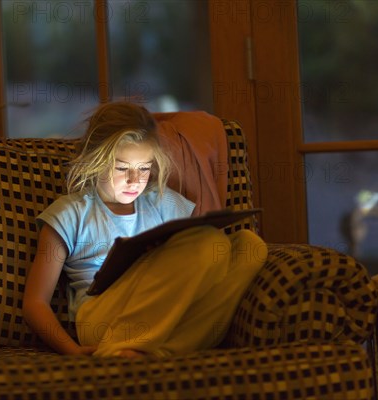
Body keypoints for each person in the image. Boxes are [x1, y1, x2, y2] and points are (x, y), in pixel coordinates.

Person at [23, 102, 267, 358]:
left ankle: (149, 354)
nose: (134, 181)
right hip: (102, 319)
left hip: (164, 317)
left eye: (143, 168)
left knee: (249, 245)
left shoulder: (164, 202)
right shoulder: (69, 213)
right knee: (205, 242)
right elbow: (34, 303)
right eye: (122, 168)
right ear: (94, 159)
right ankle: (119, 347)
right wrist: (71, 350)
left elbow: (199, 266)